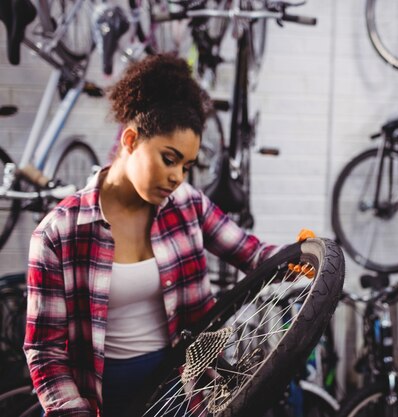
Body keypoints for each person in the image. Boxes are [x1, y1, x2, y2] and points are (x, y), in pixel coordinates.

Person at [24, 54, 312, 417]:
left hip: (182, 391)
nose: (178, 176)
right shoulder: (59, 233)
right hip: (101, 398)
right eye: (169, 158)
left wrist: (301, 256)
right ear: (130, 140)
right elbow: (45, 351)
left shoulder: (186, 204)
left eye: (187, 166)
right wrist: (72, 411)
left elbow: (250, 252)